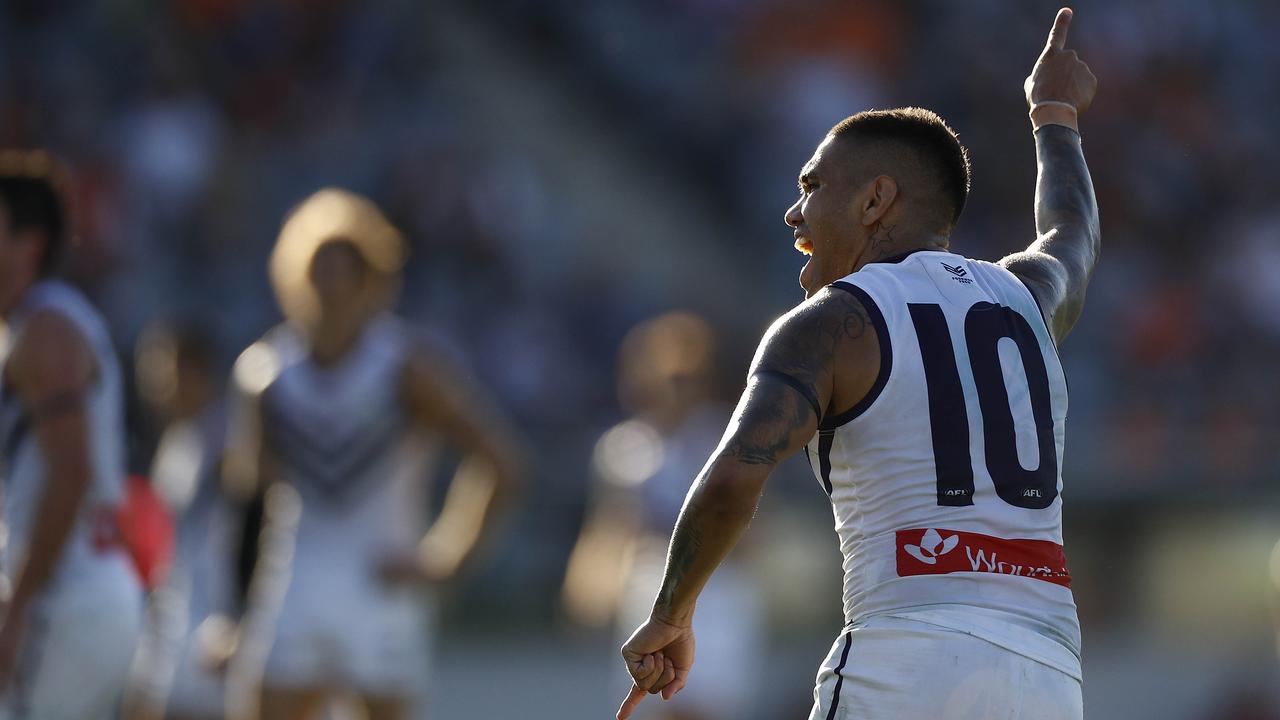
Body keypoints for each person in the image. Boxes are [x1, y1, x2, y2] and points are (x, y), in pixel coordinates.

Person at [617, 8, 1099, 720]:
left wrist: (672, 613)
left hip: (905, 652)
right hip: (1046, 669)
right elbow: (1072, 234)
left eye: (813, 186)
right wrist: (1055, 115)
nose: (794, 212)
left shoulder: (831, 326)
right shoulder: (1028, 296)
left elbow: (732, 479)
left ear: (876, 200)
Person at [223, 188, 523, 720]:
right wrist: (235, 613)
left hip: (381, 588)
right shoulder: (265, 374)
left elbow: (500, 462)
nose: (331, 287)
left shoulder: (408, 367)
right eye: (319, 269)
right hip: (294, 581)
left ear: (372, 280)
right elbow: (249, 499)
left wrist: (444, 557)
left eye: (346, 271)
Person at [562, 312, 764, 720]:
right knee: (654, 706)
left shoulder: (724, 437)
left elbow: (755, 523)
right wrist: (586, 585)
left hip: (716, 590)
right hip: (648, 589)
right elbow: (609, 526)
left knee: (705, 706)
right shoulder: (624, 447)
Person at [0, 151, 144, 717]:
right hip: (75, 593)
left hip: (63, 599)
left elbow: (70, 471)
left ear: (28, 244)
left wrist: (19, 607)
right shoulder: (36, 325)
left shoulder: (44, 328)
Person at [125, 320, 237, 720]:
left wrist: (240, 621)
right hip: (177, 625)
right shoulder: (177, 445)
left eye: (162, 369)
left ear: (193, 369)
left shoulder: (236, 443)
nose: (153, 384)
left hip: (218, 631)